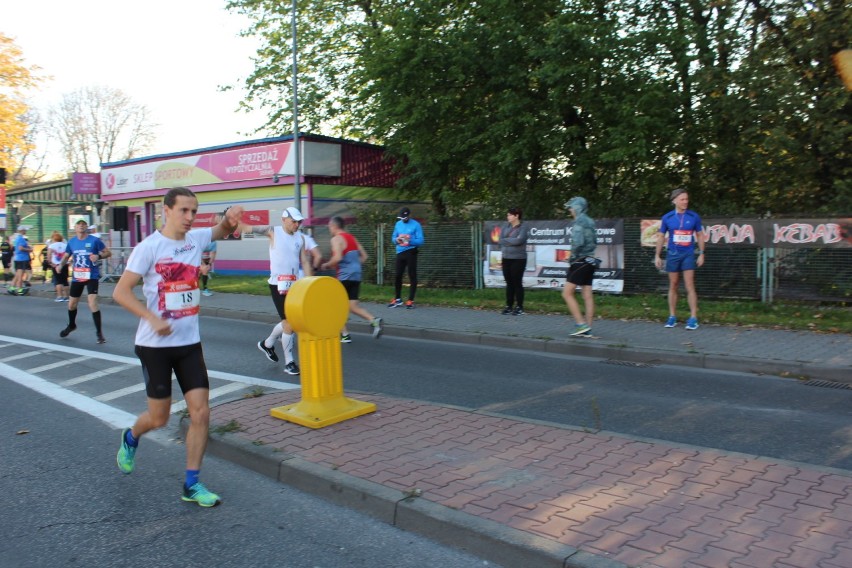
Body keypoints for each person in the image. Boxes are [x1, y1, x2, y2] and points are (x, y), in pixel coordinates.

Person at [112, 187, 244, 508]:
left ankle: (191, 483)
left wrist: (229, 219)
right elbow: (121, 292)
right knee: (160, 418)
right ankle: (131, 438)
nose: (189, 217)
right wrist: (151, 317)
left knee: (201, 413)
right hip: (154, 345)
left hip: (188, 344)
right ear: (166, 210)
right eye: (184, 211)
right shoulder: (148, 248)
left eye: (194, 212)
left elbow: (223, 231)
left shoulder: (196, 239)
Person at [254, 207, 313, 376]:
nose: (297, 224)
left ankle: (268, 343)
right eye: (294, 221)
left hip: (293, 285)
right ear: (284, 219)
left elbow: (305, 261)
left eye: (299, 221)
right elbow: (251, 229)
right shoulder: (274, 232)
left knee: (292, 321)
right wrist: (233, 223)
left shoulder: (300, 238)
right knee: (289, 323)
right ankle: (290, 363)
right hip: (277, 285)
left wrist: (309, 282)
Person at [321, 216, 384, 343]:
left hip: (344, 277)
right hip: (356, 275)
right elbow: (364, 257)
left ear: (334, 226)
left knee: (333, 306)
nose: (329, 229)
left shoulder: (336, 239)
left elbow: (338, 258)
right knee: (352, 306)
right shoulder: (352, 238)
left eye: (329, 227)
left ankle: (345, 334)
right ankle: (374, 320)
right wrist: (353, 265)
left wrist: (326, 265)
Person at [654, 188, 705, 330]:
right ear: (674, 201)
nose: (685, 202)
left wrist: (701, 253)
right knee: (673, 284)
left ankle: (693, 318)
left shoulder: (693, 216)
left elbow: (700, 235)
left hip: (688, 254)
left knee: (689, 285)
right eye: (682, 199)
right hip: (672, 254)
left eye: (687, 199)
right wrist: (657, 255)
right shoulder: (667, 218)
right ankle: (672, 316)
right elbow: (661, 237)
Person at [59, 219, 112, 343]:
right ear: (75, 228)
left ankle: (99, 333)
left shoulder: (94, 240)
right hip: (77, 277)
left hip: (91, 276)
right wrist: (60, 265)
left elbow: (108, 252)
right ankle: (72, 325)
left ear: (86, 227)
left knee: (92, 302)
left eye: (83, 225)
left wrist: (98, 256)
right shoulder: (72, 242)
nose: (81, 226)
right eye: (79, 225)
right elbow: (66, 256)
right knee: (71, 304)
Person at [562, 197, 598, 336]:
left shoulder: (579, 222)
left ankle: (580, 324)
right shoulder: (590, 221)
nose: (570, 210)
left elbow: (577, 243)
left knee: (566, 293)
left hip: (580, 261)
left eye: (571, 207)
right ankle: (588, 327)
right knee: (587, 295)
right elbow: (594, 241)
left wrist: (571, 258)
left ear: (577, 208)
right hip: (591, 260)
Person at [388, 207, 425, 309]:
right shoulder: (398, 224)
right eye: (401, 218)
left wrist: (410, 240)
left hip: (411, 252)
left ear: (409, 216)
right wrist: (397, 240)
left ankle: (410, 300)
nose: (403, 219)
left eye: (404, 217)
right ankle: (397, 299)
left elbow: (421, 241)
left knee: (412, 275)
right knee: (398, 275)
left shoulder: (416, 225)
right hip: (400, 252)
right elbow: (393, 238)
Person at [499, 207, 528, 315]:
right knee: (509, 283)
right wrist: (511, 241)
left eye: (510, 215)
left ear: (516, 216)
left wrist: (506, 241)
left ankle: (519, 307)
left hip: (518, 259)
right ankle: (509, 306)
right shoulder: (505, 226)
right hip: (506, 258)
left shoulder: (523, 227)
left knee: (517, 283)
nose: (508, 217)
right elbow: (500, 240)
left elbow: (519, 241)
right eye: (508, 215)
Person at [9, 225, 33, 296]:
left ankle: (12, 288)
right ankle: (20, 289)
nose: (25, 231)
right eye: (25, 230)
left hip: (18, 258)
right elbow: (21, 248)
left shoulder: (17, 238)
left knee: (17, 274)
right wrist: (29, 250)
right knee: (20, 275)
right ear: (22, 230)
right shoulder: (21, 239)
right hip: (22, 258)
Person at [47, 232, 69, 302]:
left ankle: (60, 296)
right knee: (65, 281)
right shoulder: (65, 245)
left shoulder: (52, 246)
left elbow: (49, 256)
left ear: (53, 238)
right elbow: (68, 255)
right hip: (64, 264)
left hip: (55, 264)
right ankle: (67, 296)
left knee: (58, 281)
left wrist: (51, 263)